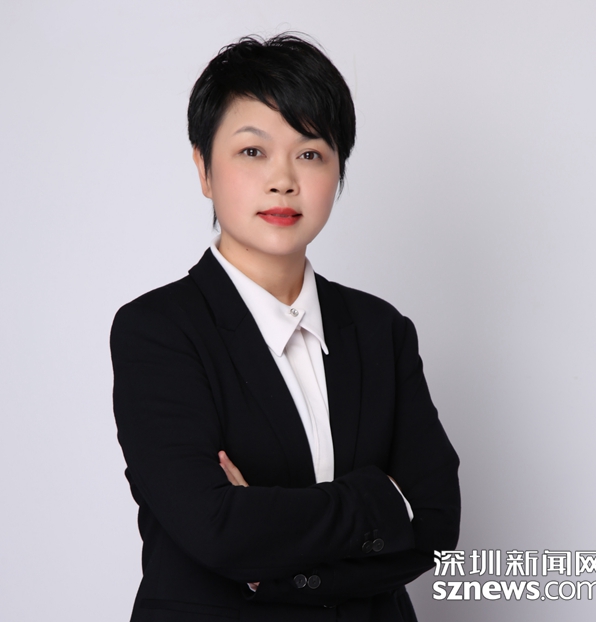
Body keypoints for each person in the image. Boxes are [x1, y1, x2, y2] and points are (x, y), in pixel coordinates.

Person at [111, 33, 460, 622]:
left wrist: (267, 557)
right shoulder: (157, 331)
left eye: (310, 153)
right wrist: (380, 501)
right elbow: (217, 529)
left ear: (339, 168)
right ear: (203, 168)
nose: (283, 180)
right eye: (253, 151)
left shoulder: (381, 330)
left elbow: (435, 523)